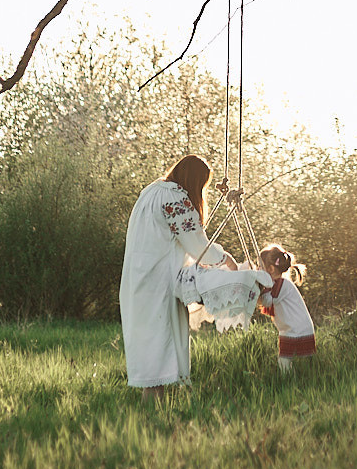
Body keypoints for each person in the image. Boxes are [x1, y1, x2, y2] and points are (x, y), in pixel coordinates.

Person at [119, 154, 237, 393]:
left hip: (138, 277)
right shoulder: (175, 197)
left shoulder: (151, 191)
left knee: (147, 340)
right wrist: (225, 259)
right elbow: (195, 242)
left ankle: (153, 403)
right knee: (161, 339)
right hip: (158, 280)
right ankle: (155, 407)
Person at [256, 243, 315, 371]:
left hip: (296, 329)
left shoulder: (281, 285)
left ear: (271, 269)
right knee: (291, 360)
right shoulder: (276, 284)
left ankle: (290, 382)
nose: (257, 269)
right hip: (294, 328)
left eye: (260, 267)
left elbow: (266, 302)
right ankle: (299, 380)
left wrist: (256, 290)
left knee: (285, 360)